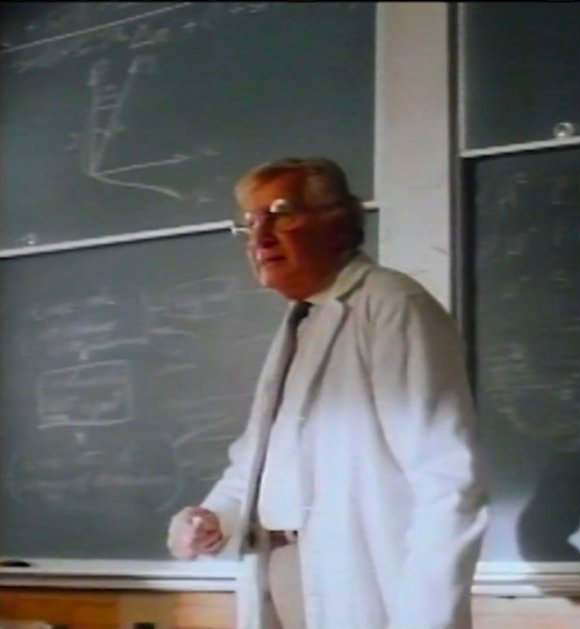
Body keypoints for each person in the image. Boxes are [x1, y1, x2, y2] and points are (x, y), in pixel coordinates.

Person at [166, 157, 489, 629]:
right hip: (280, 572)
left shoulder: (393, 306)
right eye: (250, 223)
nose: (260, 237)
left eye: (281, 215)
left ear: (339, 222)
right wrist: (213, 517)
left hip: (355, 584)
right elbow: (261, 460)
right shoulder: (305, 318)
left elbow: (448, 483)